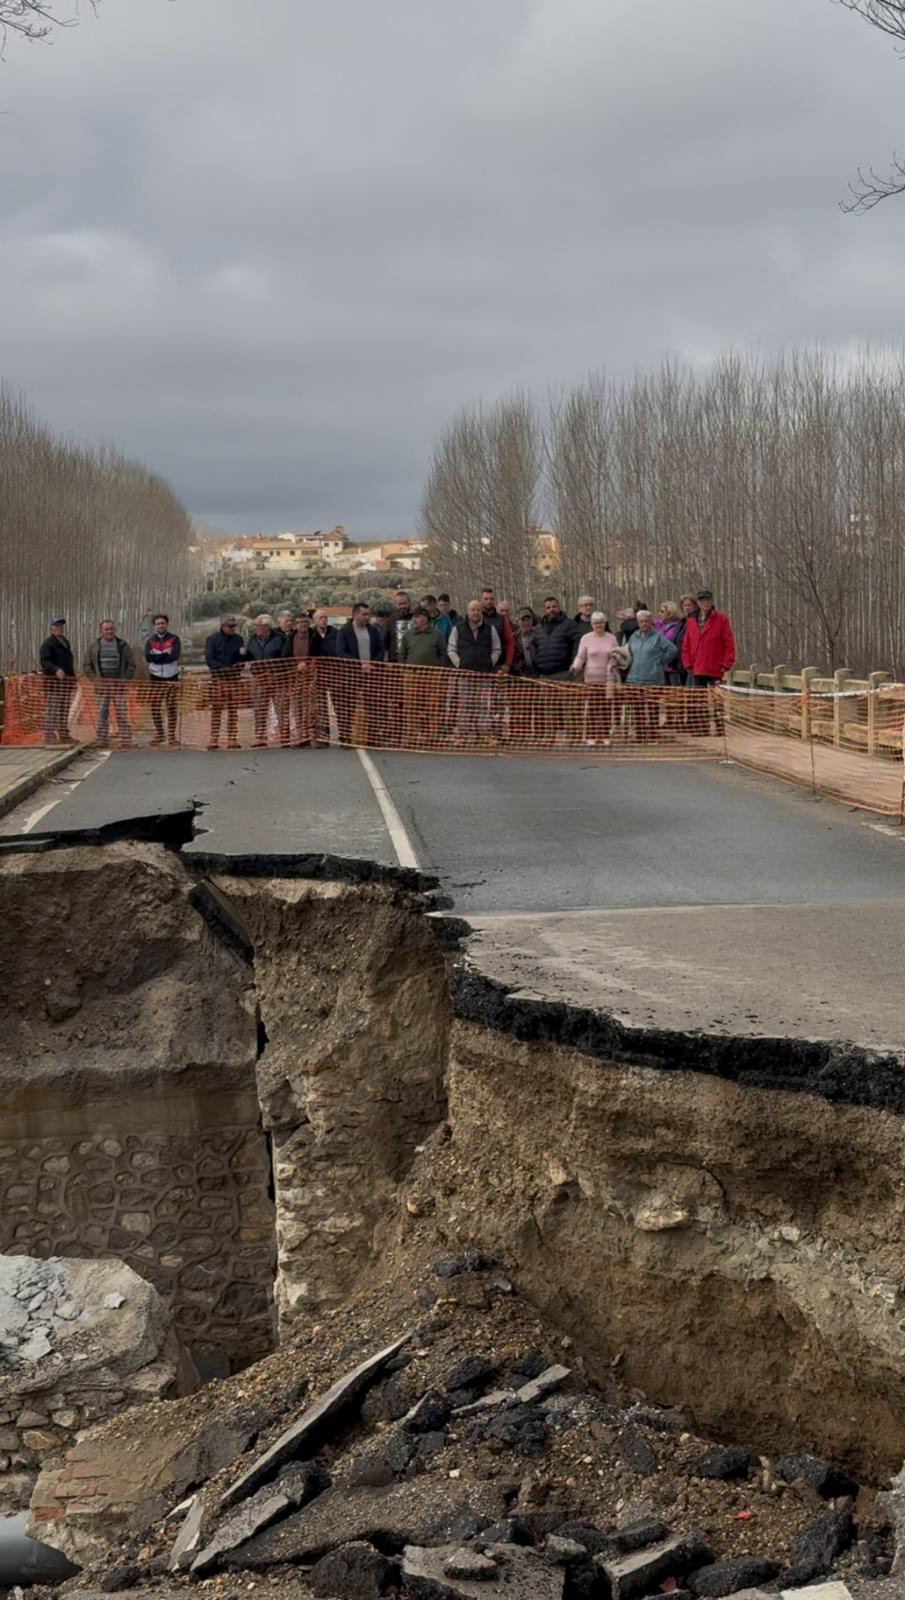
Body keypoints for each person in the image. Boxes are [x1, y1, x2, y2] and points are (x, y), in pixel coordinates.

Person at [681, 588, 736, 735]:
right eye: (702, 600)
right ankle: (702, 728)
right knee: (699, 700)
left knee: (717, 699)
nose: (705, 603)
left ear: (711, 601)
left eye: (708, 600)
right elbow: (686, 644)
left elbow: (729, 642)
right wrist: (687, 663)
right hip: (697, 667)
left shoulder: (721, 619)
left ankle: (719, 728)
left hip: (715, 667)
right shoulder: (691, 620)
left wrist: (727, 663)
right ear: (698, 603)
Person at [447, 598, 501, 743]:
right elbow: (451, 649)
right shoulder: (457, 628)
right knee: (465, 705)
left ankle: (485, 734)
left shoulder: (490, 629)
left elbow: (497, 649)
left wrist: (490, 662)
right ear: (467, 611)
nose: (475, 612)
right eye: (473, 609)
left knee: (484, 705)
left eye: (478, 609)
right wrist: (460, 664)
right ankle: (464, 735)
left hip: (484, 674)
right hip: (465, 674)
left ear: (481, 611)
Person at [335, 601, 386, 745]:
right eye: (364, 614)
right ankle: (345, 737)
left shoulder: (373, 630)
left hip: (371, 674)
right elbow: (340, 652)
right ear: (355, 614)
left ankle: (372, 737)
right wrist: (359, 665)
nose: (367, 617)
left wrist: (372, 664)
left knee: (373, 705)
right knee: (348, 706)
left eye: (368, 614)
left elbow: (380, 650)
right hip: (351, 675)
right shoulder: (344, 631)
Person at [531, 597, 581, 744]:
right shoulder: (538, 628)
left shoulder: (569, 624)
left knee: (568, 708)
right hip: (545, 674)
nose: (551, 609)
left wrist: (574, 664)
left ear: (558, 607)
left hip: (564, 672)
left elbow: (577, 643)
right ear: (545, 609)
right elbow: (533, 646)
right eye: (548, 607)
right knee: (549, 708)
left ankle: (572, 736)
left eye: (554, 606)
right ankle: (550, 735)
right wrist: (536, 663)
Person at [625, 609, 677, 742]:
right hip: (634, 679)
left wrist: (660, 662)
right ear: (638, 623)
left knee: (652, 709)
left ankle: (653, 735)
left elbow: (672, 650)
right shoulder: (633, 637)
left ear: (651, 622)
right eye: (642, 621)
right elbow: (627, 652)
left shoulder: (658, 636)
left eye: (647, 621)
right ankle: (639, 736)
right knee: (638, 709)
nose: (644, 624)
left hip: (653, 678)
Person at [570, 612, 621, 746]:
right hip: (590, 679)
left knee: (605, 709)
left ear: (605, 623)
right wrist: (575, 667)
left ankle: (604, 735)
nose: (599, 625)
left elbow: (617, 656)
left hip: (607, 678)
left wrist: (616, 666)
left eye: (601, 622)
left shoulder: (612, 638)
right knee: (592, 709)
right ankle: (591, 735)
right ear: (592, 625)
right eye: (596, 623)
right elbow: (580, 657)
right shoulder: (586, 638)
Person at [83, 619, 135, 747]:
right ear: (101, 631)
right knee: (102, 714)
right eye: (106, 629)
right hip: (101, 687)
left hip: (118, 686)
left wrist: (124, 680)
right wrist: (96, 680)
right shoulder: (94, 647)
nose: (109, 631)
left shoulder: (122, 645)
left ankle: (126, 739)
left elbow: (132, 665)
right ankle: (102, 739)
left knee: (122, 713)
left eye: (111, 629)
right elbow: (86, 665)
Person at [400, 607, 447, 746]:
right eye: (413, 617)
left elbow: (443, 653)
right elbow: (402, 654)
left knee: (433, 706)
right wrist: (404, 671)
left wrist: (440, 670)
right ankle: (410, 736)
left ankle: (433, 736)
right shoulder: (408, 635)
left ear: (425, 618)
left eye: (418, 617)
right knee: (410, 707)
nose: (415, 620)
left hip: (432, 675)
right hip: (412, 675)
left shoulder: (436, 634)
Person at [246, 614, 288, 747]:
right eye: (257, 626)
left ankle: (285, 736)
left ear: (267, 627)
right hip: (259, 678)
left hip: (277, 679)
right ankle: (259, 736)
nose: (257, 628)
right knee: (259, 707)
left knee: (281, 708)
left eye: (260, 626)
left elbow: (285, 658)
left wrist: (274, 673)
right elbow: (249, 657)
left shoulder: (280, 639)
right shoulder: (252, 639)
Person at [205, 614, 245, 749]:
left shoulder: (239, 639)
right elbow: (209, 658)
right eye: (230, 626)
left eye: (234, 626)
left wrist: (236, 667)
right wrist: (221, 668)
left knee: (233, 709)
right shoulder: (212, 639)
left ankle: (232, 737)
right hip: (218, 679)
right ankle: (214, 737)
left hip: (234, 679)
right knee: (216, 708)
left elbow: (242, 658)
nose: (233, 628)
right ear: (222, 626)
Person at [144, 612, 181, 746]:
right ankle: (160, 734)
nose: (160, 626)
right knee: (155, 706)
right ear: (155, 626)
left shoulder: (174, 639)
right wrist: (164, 656)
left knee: (171, 705)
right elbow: (148, 657)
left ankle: (171, 736)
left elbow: (174, 656)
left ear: (166, 624)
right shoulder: (150, 640)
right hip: (155, 676)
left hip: (172, 675)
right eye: (158, 624)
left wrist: (158, 657)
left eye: (162, 623)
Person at [39, 616, 76, 744]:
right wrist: (55, 669)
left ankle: (64, 735)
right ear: (51, 628)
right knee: (52, 710)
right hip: (54, 684)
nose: (59, 628)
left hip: (66, 684)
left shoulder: (64, 641)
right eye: (57, 626)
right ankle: (49, 737)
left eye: (61, 626)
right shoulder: (48, 644)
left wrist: (73, 679)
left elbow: (68, 663)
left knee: (64, 709)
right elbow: (45, 661)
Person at [282, 612, 314, 747]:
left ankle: (308, 736)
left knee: (309, 707)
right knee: (296, 707)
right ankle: (299, 736)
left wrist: (307, 664)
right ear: (296, 624)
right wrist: (296, 666)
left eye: (306, 623)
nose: (304, 625)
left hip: (311, 677)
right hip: (294, 678)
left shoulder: (314, 636)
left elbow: (319, 654)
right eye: (301, 623)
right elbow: (285, 656)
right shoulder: (291, 637)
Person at [309, 607, 339, 746]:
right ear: (314, 621)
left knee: (338, 703)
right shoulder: (310, 634)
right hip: (317, 674)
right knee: (320, 706)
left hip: (334, 673)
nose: (323, 620)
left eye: (325, 617)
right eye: (320, 618)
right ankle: (323, 737)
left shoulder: (335, 632)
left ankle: (344, 735)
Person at [479, 587, 514, 672]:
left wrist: (508, 663)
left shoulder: (501, 619)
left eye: (491, 599)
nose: (489, 601)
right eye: (486, 599)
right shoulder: (476, 618)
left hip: (499, 666)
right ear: (481, 600)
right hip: (480, 665)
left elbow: (510, 642)